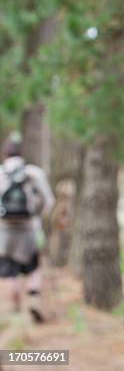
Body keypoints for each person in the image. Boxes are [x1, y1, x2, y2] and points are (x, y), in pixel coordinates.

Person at [0, 137, 55, 323]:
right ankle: (33, 300)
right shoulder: (33, 173)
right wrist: (39, 216)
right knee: (33, 266)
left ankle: (15, 305)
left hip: (4, 229)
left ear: (4, 154)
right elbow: (49, 201)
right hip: (29, 227)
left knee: (9, 268)